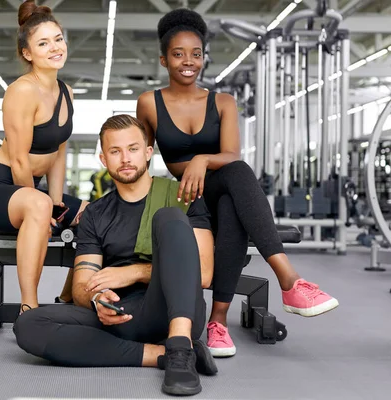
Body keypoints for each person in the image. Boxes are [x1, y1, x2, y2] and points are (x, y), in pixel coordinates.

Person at [136, 8, 339, 358]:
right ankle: (273, 289)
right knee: (234, 197)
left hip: (221, 186)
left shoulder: (223, 102)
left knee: (235, 184)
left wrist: (201, 159)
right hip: (186, 196)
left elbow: (231, 154)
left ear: (204, 58)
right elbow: (142, 154)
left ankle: (225, 319)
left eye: (196, 54)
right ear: (164, 59)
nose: (189, 61)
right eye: (178, 54)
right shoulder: (149, 104)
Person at [14, 114, 218, 397]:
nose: (125, 158)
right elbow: (83, 285)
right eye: (115, 151)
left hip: (173, 310)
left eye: (133, 149)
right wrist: (97, 299)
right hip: (121, 316)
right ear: (103, 159)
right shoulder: (95, 215)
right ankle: (161, 355)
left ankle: (181, 347)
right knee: (29, 325)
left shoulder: (183, 196)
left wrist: (133, 272)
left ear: (148, 153)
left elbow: (204, 274)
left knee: (169, 218)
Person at [0, 0, 86, 312]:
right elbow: (19, 161)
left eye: (58, 39)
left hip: (32, 190)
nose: (55, 47)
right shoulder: (21, 91)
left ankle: (68, 298)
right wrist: (44, 208)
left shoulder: (66, 92)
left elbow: (59, 150)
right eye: (43, 43)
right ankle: (28, 307)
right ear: (27, 53)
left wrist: (57, 201)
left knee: (96, 215)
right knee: (38, 202)